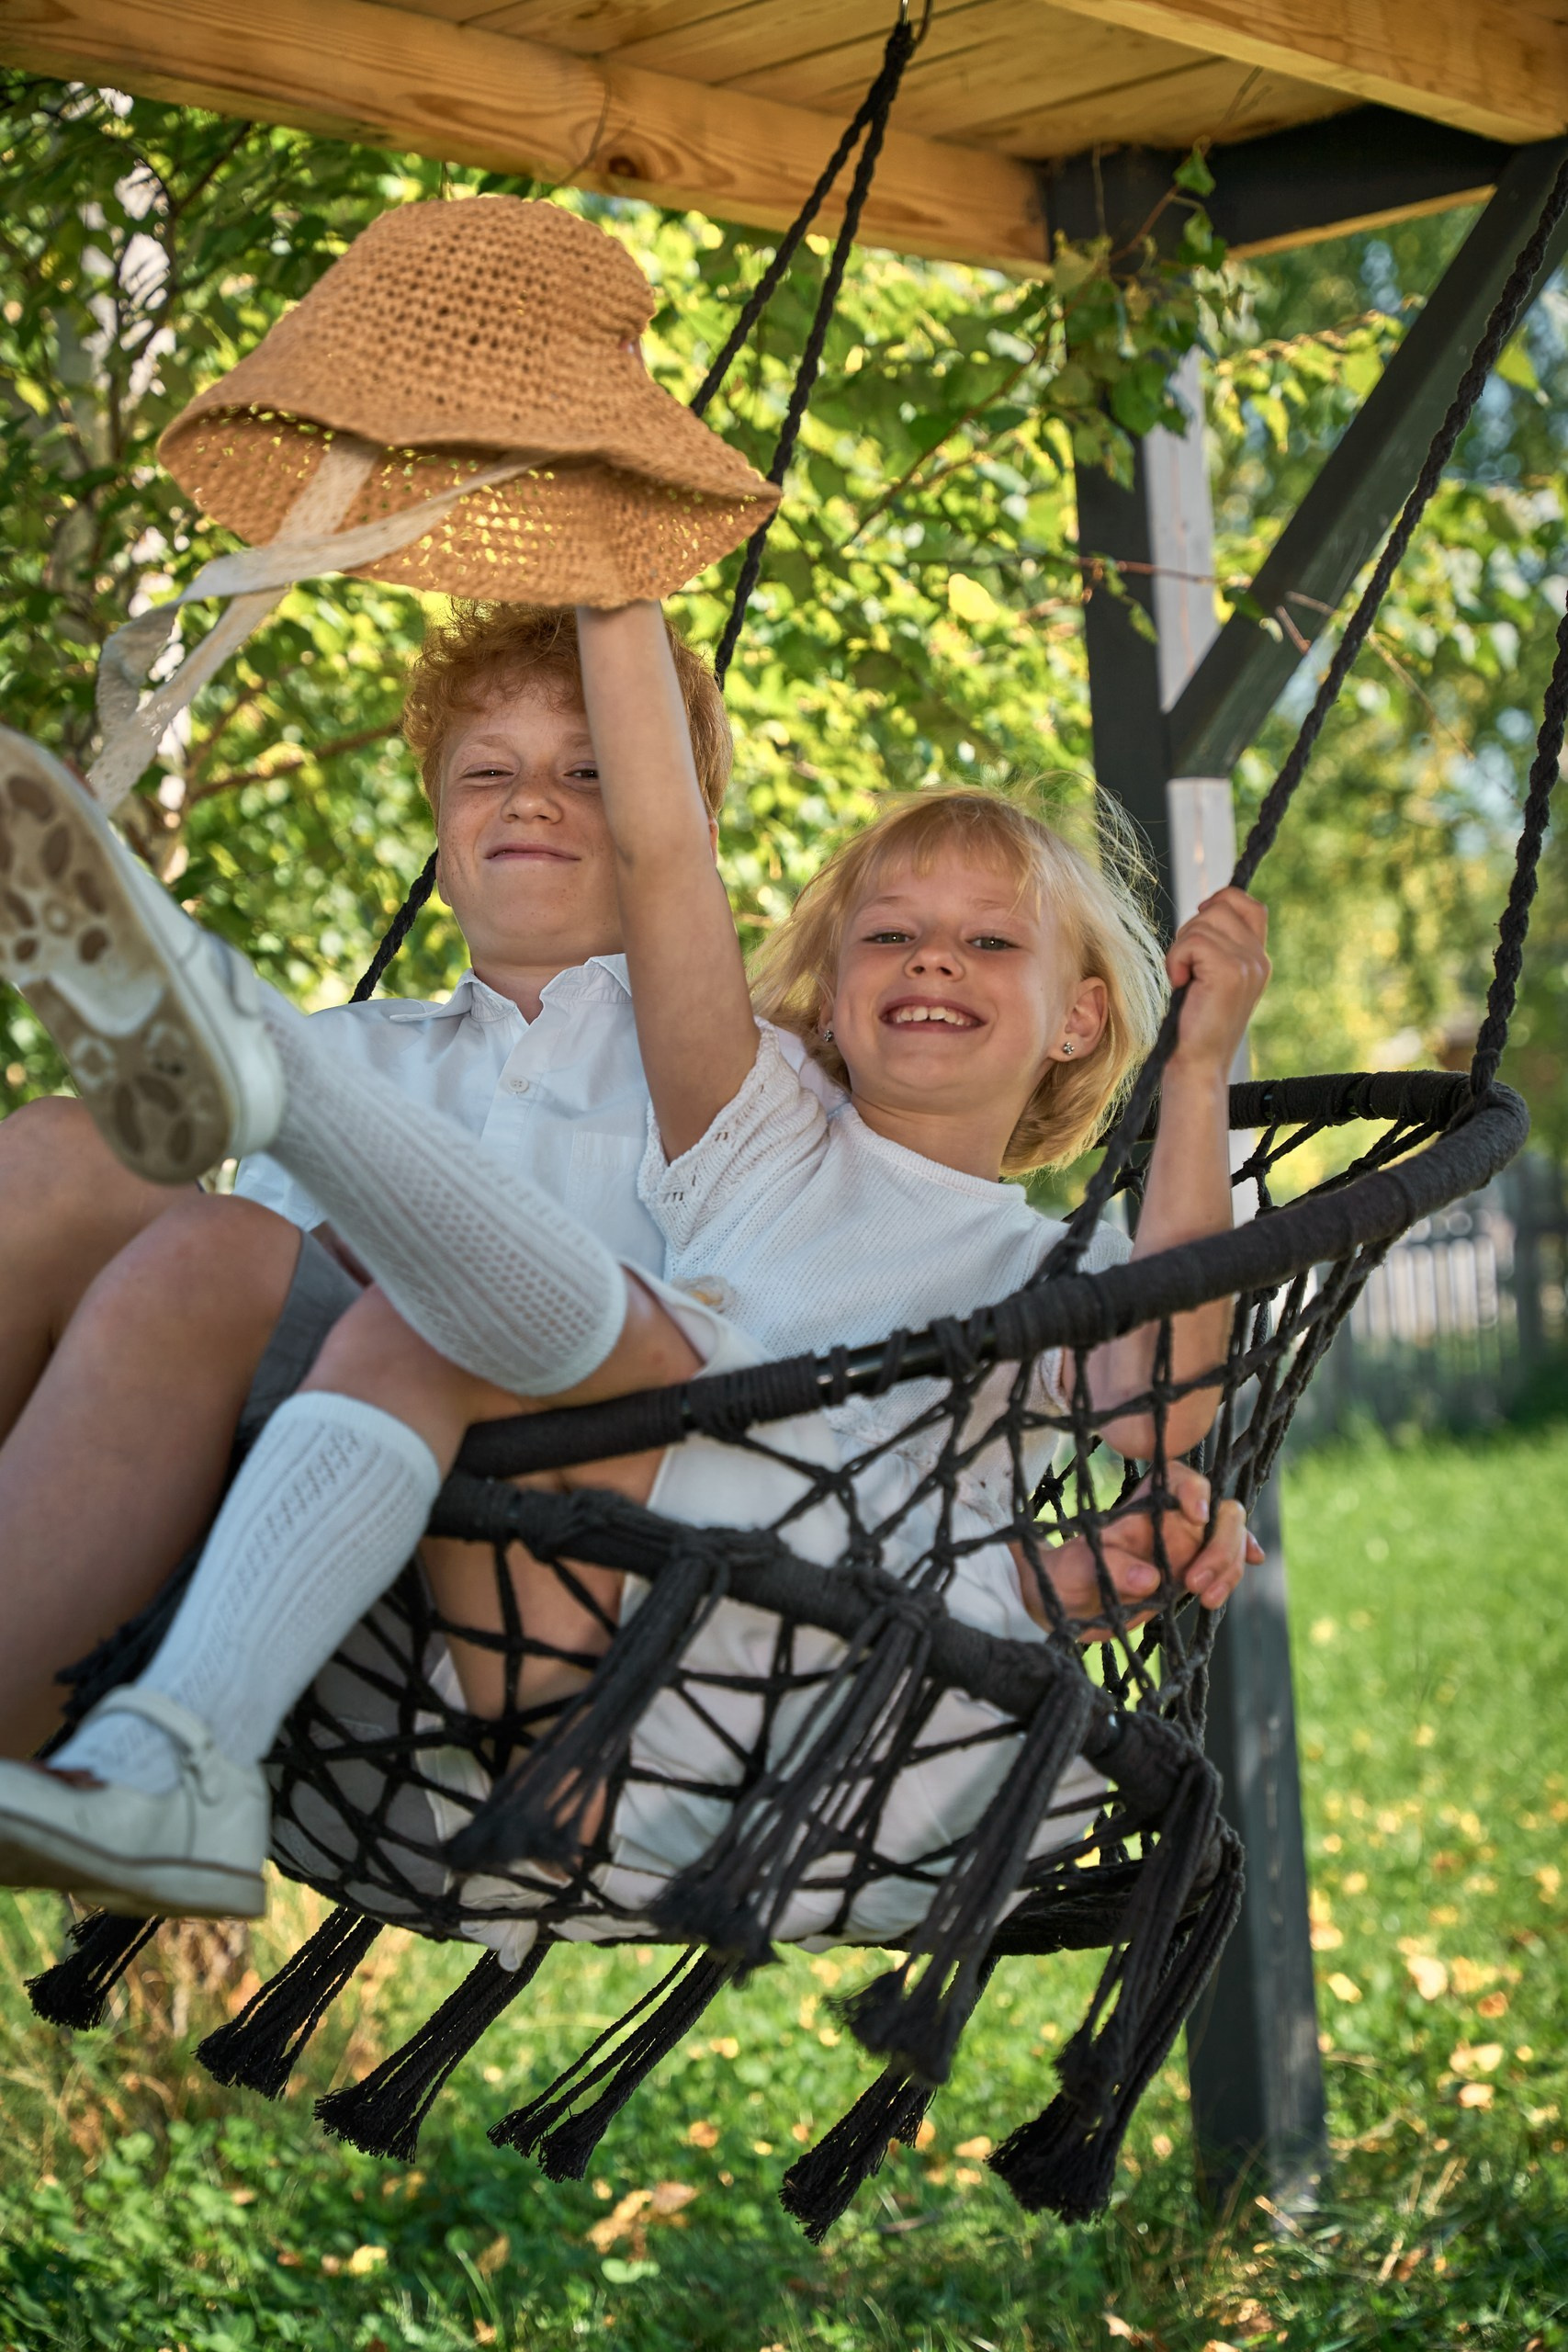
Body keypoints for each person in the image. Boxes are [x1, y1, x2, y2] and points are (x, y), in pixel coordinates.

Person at [0, 604, 1263, 1951]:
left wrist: (1194, 1075)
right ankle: (171, 1752)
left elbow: (1161, 1404)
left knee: (540, 1334)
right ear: (827, 999)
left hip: (743, 1625)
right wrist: (616, 576)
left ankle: (280, 1088)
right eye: (889, 939)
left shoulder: (1042, 1263)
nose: (932, 960)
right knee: (417, 1317)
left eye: (988, 944)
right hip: (579, 1570)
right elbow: (672, 864)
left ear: (1078, 1018)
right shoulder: (761, 1135)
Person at [0, 604, 736, 1758]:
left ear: (669, 822)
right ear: (442, 846)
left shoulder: (739, 1083)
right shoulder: (357, 1046)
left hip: (529, 1543)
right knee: (63, 1149)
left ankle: (217, 1016)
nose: (530, 797)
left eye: (588, 771)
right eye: (486, 772)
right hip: (254, 1475)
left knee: (246, 1238)